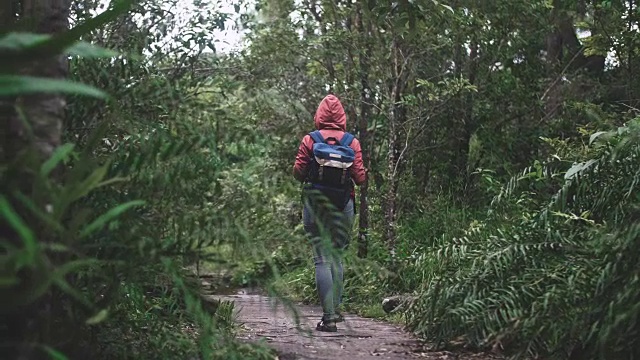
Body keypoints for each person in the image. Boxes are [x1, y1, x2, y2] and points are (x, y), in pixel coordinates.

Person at [293, 94, 366, 332]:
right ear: (342, 116)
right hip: (343, 205)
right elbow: (361, 178)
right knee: (336, 257)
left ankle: (329, 318)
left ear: (319, 114)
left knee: (321, 259)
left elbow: (298, 172)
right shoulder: (351, 142)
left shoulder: (310, 140)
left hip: (315, 206)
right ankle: (335, 310)